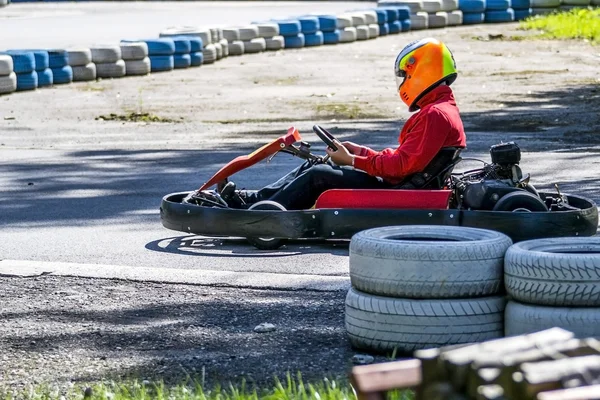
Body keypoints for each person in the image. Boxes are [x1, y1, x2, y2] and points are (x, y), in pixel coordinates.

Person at [222, 37, 467, 210]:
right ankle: (254, 201)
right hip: (403, 183)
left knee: (319, 174)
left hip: (400, 191)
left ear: (422, 71)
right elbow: (405, 159)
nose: (403, 81)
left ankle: (263, 215)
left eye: (405, 75)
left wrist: (352, 161)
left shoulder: (436, 115)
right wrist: (359, 152)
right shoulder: (440, 111)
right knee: (316, 164)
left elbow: (401, 166)